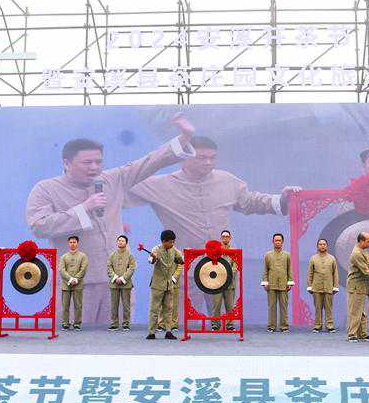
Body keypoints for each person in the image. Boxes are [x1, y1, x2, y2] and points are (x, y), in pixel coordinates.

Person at [25, 114, 195, 324]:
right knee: (74, 339)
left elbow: (149, 162)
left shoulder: (113, 179)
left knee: (118, 337)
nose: (94, 167)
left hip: (117, 281)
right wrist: (84, 209)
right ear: (66, 163)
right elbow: (39, 225)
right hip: (75, 283)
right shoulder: (46, 189)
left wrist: (184, 138)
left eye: (98, 162)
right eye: (87, 162)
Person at [126, 135, 299, 328]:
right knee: (178, 327)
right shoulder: (160, 185)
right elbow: (121, 185)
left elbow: (251, 202)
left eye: (212, 157)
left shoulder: (227, 181)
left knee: (225, 326)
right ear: (184, 158)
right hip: (183, 270)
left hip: (222, 267)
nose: (208, 162)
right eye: (202, 158)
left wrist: (283, 199)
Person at [146, 229, 183, 340]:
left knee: (169, 309)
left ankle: (168, 331)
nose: (172, 244)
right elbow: (151, 261)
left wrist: (184, 258)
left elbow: (180, 260)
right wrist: (153, 257)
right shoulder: (156, 249)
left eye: (173, 242)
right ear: (163, 241)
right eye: (170, 242)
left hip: (169, 285)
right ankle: (151, 332)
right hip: (157, 285)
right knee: (154, 309)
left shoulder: (174, 250)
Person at [262, 233, 293, 332]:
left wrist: (290, 282)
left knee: (284, 306)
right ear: (273, 241)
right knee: (272, 306)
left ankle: (284, 327)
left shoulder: (287, 255)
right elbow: (265, 270)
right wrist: (265, 282)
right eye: (276, 240)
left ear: (282, 242)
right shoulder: (268, 255)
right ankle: (271, 326)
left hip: (284, 284)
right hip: (271, 284)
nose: (278, 242)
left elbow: (289, 269)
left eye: (279, 240)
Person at [307, 238, 339, 332]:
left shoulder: (332, 258)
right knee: (318, 308)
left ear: (327, 246)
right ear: (317, 246)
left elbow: (335, 274)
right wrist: (310, 286)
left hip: (329, 286)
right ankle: (317, 326)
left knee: (329, 308)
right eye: (320, 244)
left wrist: (335, 286)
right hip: (316, 287)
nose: (322, 246)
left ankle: (330, 325)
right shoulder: (313, 258)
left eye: (324, 244)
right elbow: (310, 273)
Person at [209, 229, 238, 331]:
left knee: (230, 305)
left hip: (230, 282)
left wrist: (228, 274)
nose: (225, 238)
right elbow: (212, 265)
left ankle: (229, 325)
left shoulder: (234, 251)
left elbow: (235, 266)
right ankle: (215, 325)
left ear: (230, 238)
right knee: (216, 304)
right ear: (221, 238)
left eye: (227, 236)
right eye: (223, 236)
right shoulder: (216, 251)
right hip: (218, 282)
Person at [107, 234, 136, 331]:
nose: (120, 242)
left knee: (126, 305)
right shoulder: (112, 255)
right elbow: (109, 267)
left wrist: (123, 278)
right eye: (119, 240)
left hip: (126, 284)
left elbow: (132, 268)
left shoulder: (130, 255)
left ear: (126, 243)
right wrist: (115, 278)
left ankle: (126, 324)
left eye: (122, 241)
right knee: (114, 305)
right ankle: (114, 323)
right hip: (114, 283)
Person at [59, 235, 88, 330]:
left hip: (78, 284)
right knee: (65, 305)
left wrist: (76, 279)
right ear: (68, 244)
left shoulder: (83, 256)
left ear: (77, 243)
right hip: (66, 285)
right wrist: (70, 279)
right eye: (71, 242)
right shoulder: (64, 256)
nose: (72, 244)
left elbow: (83, 269)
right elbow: (62, 270)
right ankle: (65, 323)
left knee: (78, 305)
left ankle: (77, 323)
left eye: (74, 242)